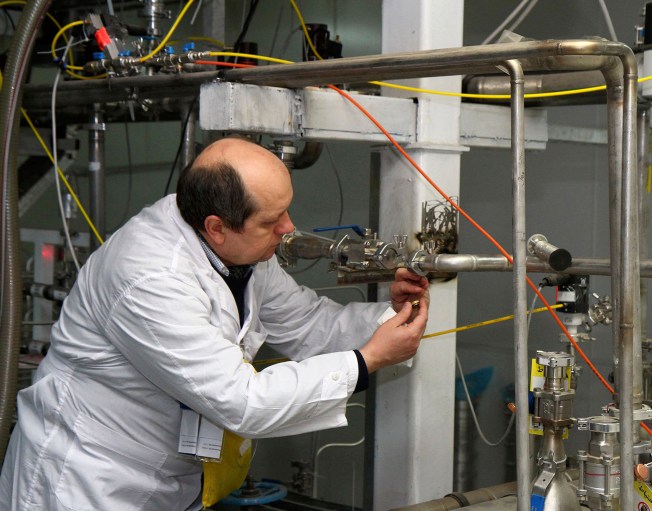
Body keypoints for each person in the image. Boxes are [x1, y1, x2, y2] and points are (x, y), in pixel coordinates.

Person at [0, 136, 429, 510]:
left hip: (170, 478)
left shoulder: (238, 250)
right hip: (87, 483)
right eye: (271, 221)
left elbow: (307, 323)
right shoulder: (149, 277)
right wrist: (366, 360)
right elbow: (241, 402)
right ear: (216, 227)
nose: (288, 229)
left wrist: (390, 318)